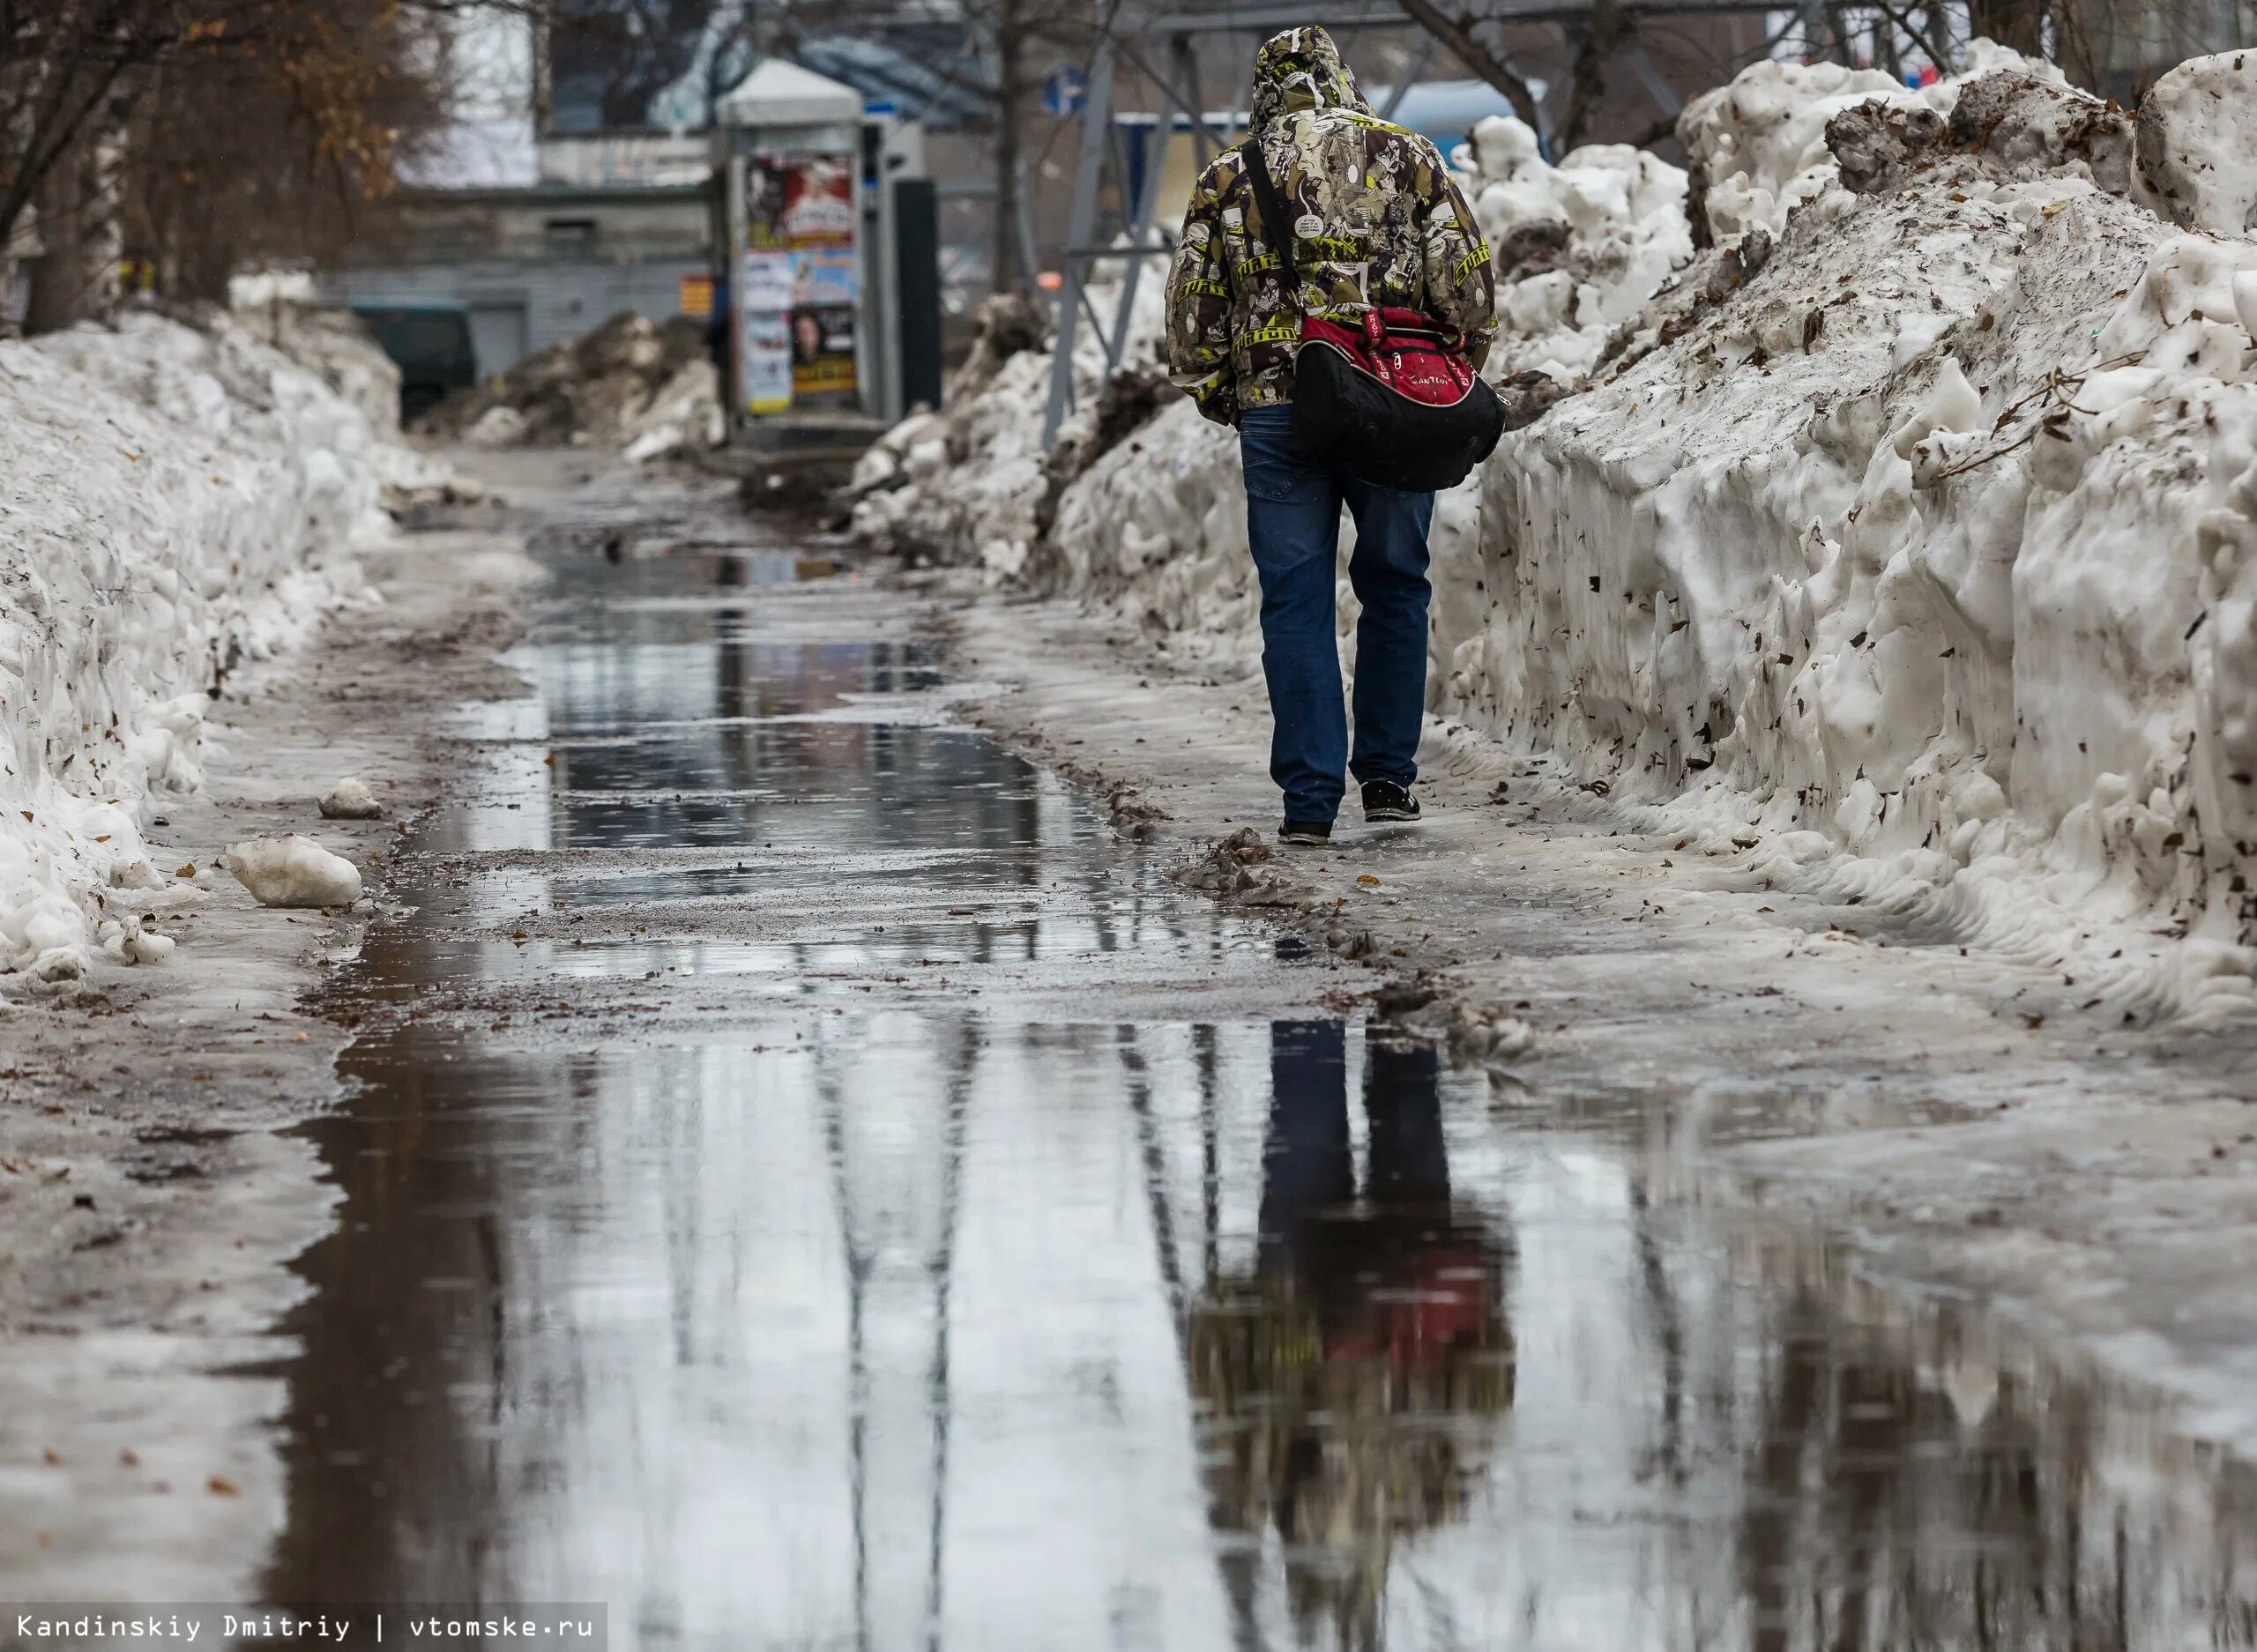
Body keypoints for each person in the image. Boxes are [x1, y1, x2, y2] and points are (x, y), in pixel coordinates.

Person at [1165, 26, 1497, 847]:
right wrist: (1449, 368)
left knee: (1296, 600)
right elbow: (1468, 286)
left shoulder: (1227, 178)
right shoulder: (1410, 158)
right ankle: (1387, 777)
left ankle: (1309, 800)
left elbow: (1191, 321)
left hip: (1279, 410)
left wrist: (1229, 396)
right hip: (1390, 402)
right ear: (1343, 78)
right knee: (1395, 582)